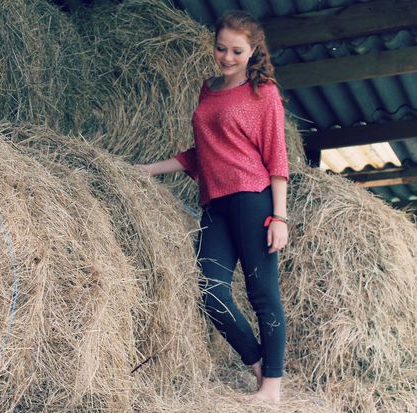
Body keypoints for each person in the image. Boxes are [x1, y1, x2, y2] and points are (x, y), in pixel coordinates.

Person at [136, 10, 289, 403]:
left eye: (236, 51)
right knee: (209, 290)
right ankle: (256, 362)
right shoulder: (209, 89)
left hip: (253, 200)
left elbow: (277, 159)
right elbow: (202, 153)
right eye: (221, 48)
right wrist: (149, 170)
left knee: (262, 293)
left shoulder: (263, 93)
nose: (226, 57)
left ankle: (272, 384)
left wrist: (279, 217)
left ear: (252, 51)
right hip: (216, 205)